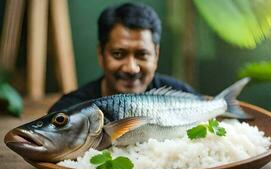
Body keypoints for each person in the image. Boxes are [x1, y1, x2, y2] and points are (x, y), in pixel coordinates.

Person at [48, 2, 196, 113]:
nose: (131, 68)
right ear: (101, 54)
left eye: (142, 54)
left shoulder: (183, 95)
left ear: (156, 55)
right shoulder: (70, 110)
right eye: (118, 54)